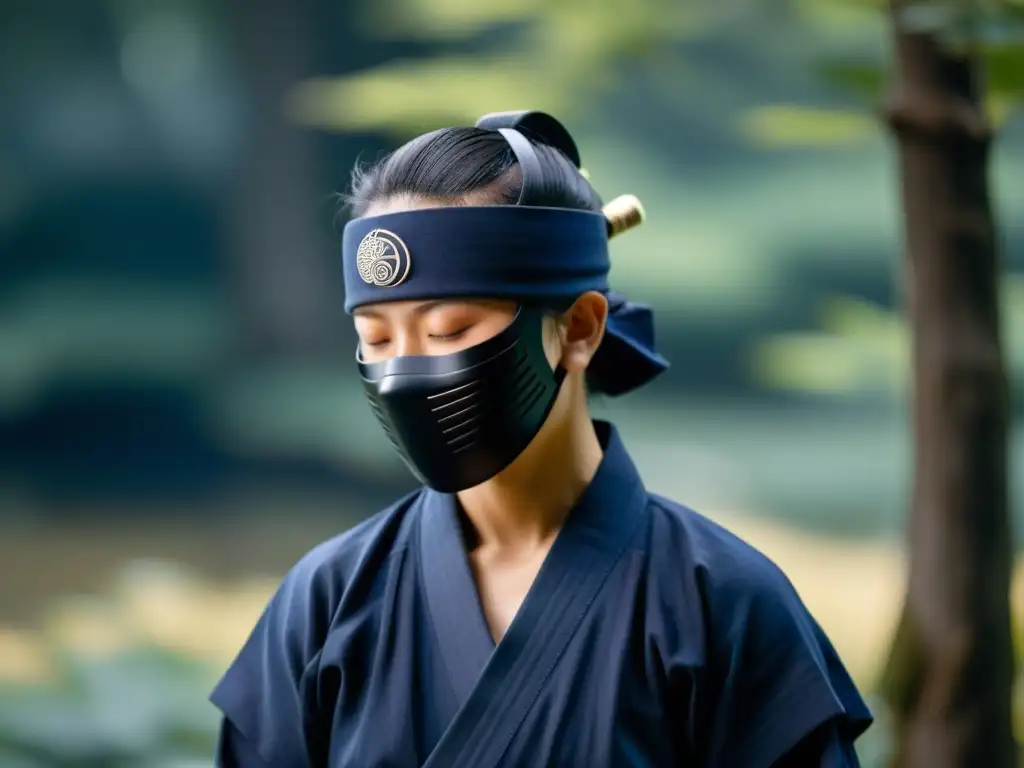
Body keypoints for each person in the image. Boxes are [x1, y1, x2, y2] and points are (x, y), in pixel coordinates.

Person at [210, 110, 873, 767]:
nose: (404, 374)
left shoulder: (722, 602)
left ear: (579, 328)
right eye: (377, 339)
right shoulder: (326, 601)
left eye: (448, 332)